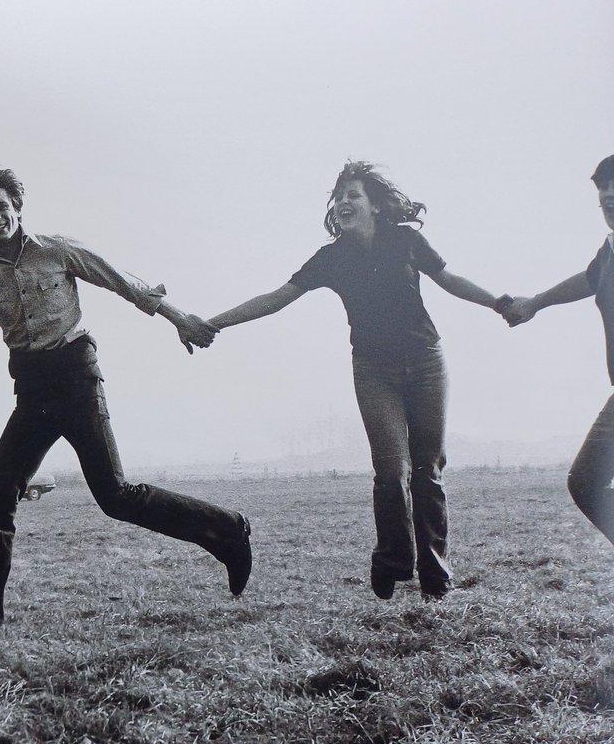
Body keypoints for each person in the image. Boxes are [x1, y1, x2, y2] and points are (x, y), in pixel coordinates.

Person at [0, 163, 252, 632]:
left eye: (2, 207)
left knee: (115, 496)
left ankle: (228, 528)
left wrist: (178, 317)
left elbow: (122, 281)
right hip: (31, 389)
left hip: (75, 376)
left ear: (18, 208)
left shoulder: (57, 250)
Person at [205, 161, 506, 601]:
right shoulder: (332, 258)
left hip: (425, 360)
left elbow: (450, 281)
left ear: (375, 206)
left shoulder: (406, 240)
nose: (344, 202)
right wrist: (214, 323)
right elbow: (276, 298)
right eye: (339, 196)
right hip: (373, 369)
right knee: (390, 472)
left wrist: (499, 302)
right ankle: (394, 559)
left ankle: (436, 577)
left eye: (353, 195)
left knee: (429, 471)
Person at [501, 155, 614, 545]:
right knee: (586, 482)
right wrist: (536, 302)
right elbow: (588, 279)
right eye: (603, 188)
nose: (609, 194)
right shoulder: (610, 250)